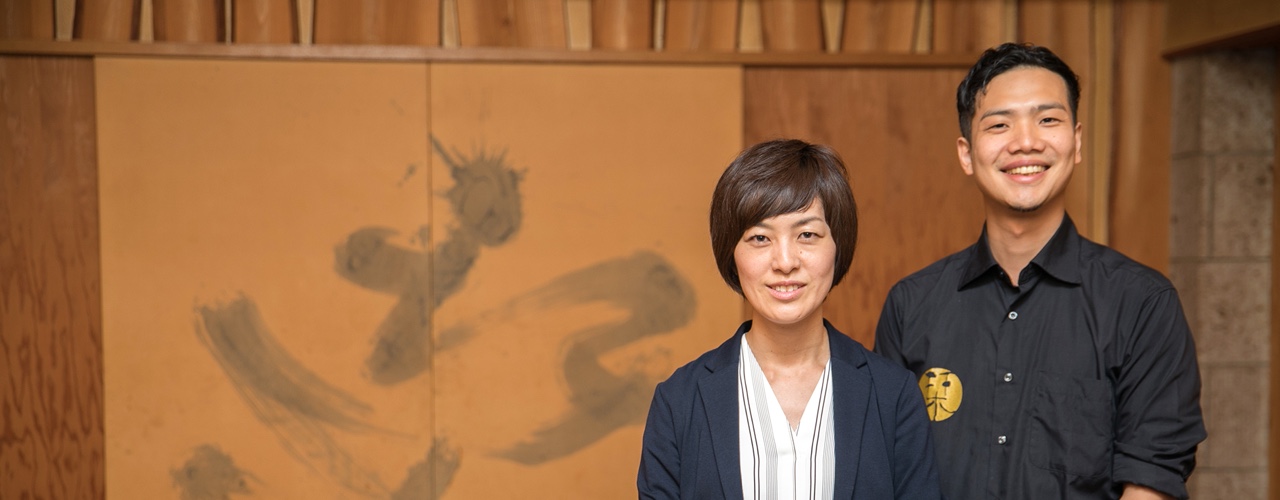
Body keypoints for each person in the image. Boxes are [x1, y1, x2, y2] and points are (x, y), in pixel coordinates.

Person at [874, 42, 1206, 500]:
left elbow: (1153, 477)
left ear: (1077, 141)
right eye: (999, 124)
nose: (1025, 142)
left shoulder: (1142, 303)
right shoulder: (911, 305)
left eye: (1047, 120)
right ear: (966, 153)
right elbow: (885, 468)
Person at [638, 139, 942, 499]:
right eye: (760, 238)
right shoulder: (679, 401)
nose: (785, 262)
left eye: (807, 235)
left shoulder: (893, 395)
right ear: (731, 253)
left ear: (838, 246)